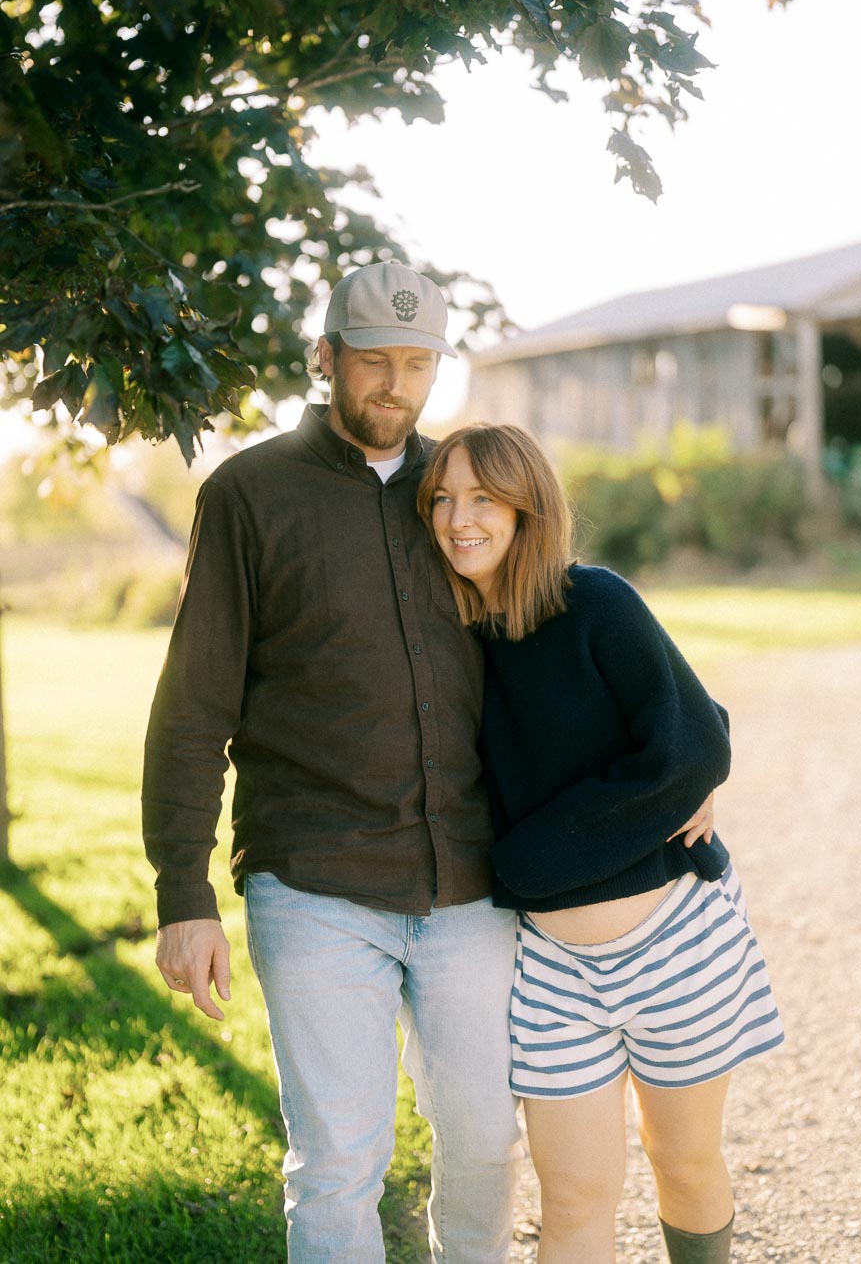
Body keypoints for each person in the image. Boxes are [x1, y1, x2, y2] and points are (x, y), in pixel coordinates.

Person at [141, 263, 524, 1264]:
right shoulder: (249, 495)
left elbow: (560, 647)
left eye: (417, 363)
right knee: (337, 1164)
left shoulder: (467, 496)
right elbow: (193, 705)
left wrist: (681, 743)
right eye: (371, 362)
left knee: (486, 1144)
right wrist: (182, 890)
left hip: (471, 883)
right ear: (326, 360)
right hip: (314, 882)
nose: (393, 385)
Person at [417, 423, 785, 1264]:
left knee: (683, 1162)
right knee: (575, 1194)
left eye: (482, 498)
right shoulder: (449, 640)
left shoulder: (596, 602)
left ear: (526, 507)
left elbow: (693, 742)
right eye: (441, 498)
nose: (457, 518)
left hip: (673, 944)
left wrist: (533, 859)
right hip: (552, 971)